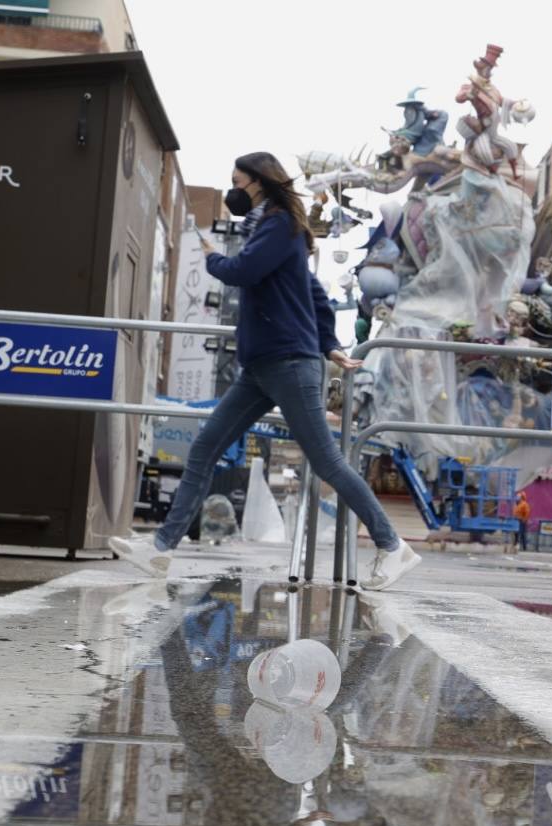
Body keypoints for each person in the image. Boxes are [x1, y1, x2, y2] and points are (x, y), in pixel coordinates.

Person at [110, 152, 421, 590]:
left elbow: (243, 272)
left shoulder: (277, 227)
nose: (232, 188)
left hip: (288, 363)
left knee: (327, 462)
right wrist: (330, 344)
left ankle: (393, 547)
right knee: (204, 448)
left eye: (236, 180)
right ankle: (160, 549)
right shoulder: (273, 227)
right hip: (262, 365)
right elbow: (313, 293)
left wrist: (211, 257)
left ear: (257, 181)